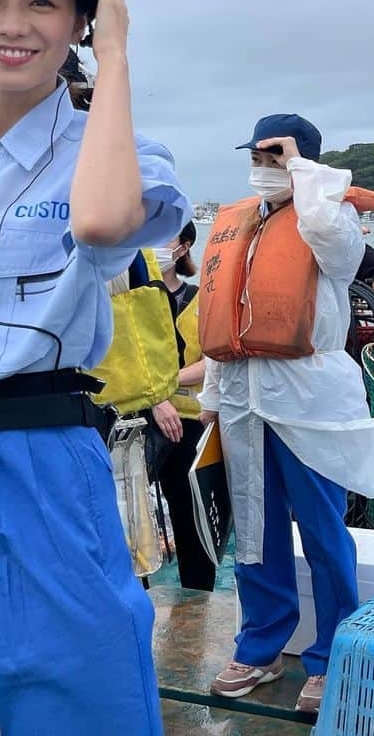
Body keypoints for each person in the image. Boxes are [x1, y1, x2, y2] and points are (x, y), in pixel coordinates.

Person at [0, 0, 190, 733]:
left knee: (78, 704)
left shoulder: (117, 146)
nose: (12, 24)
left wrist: (113, 56)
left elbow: (104, 224)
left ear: (79, 20)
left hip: (32, 451)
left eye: (43, 2)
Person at [198, 113, 374, 714]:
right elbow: (224, 317)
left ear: (304, 159)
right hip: (243, 401)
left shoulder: (331, 214)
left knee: (322, 528)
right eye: (258, 155)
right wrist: (213, 398)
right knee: (255, 534)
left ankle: (333, 653)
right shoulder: (238, 222)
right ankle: (260, 647)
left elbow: (341, 259)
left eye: (275, 155)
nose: (264, 166)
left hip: (309, 403)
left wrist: (304, 171)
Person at [150, 220, 217, 591]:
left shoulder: (200, 299)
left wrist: (165, 384)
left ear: (184, 246)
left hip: (191, 420)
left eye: (164, 237)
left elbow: (215, 359)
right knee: (135, 518)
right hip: (139, 419)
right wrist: (154, 396)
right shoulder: (130, 295)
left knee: (191, 518)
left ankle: (198, 597)